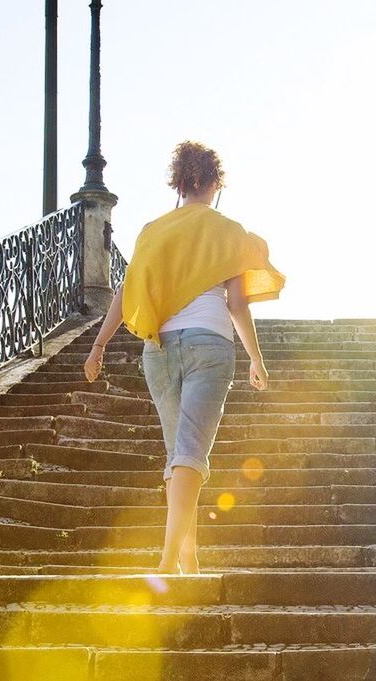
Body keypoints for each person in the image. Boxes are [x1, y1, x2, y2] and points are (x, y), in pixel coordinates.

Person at [82, 140, 285, 575]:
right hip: (209, 347)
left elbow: (125, 292)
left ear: (180, 182)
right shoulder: (227, 230)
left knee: (179, 452)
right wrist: (256, 358)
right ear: (214, 183)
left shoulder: (154, 230)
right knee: (189, 453)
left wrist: (99, 345)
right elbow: (236, 303)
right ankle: (168, 557)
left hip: (158, 351)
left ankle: (188, 554)